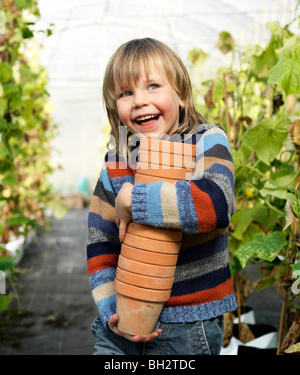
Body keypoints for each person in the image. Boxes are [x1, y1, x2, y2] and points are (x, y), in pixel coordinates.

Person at [87, 38, 237, 355]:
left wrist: (135, 200)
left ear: (180, 95)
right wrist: (111, 309)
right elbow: (101, 244)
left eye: (153, 86)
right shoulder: (116, 164)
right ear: (116, 106)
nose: (140, 100)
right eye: (126, 93)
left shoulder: (206, 142)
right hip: (124, 324)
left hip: (190, 325)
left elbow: (216, 203)